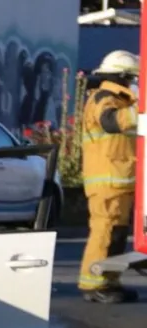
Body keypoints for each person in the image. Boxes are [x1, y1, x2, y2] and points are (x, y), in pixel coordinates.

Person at [78, 50, 140, 304]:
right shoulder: (104, 97)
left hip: (119, 179)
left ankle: (109, 281)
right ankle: (92, 284)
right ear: (123, 76)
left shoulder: (121, 100)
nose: (134, 83)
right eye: (132, 79)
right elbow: (110, 122)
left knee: (115, 235)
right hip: (106, 180)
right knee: (104, 232)